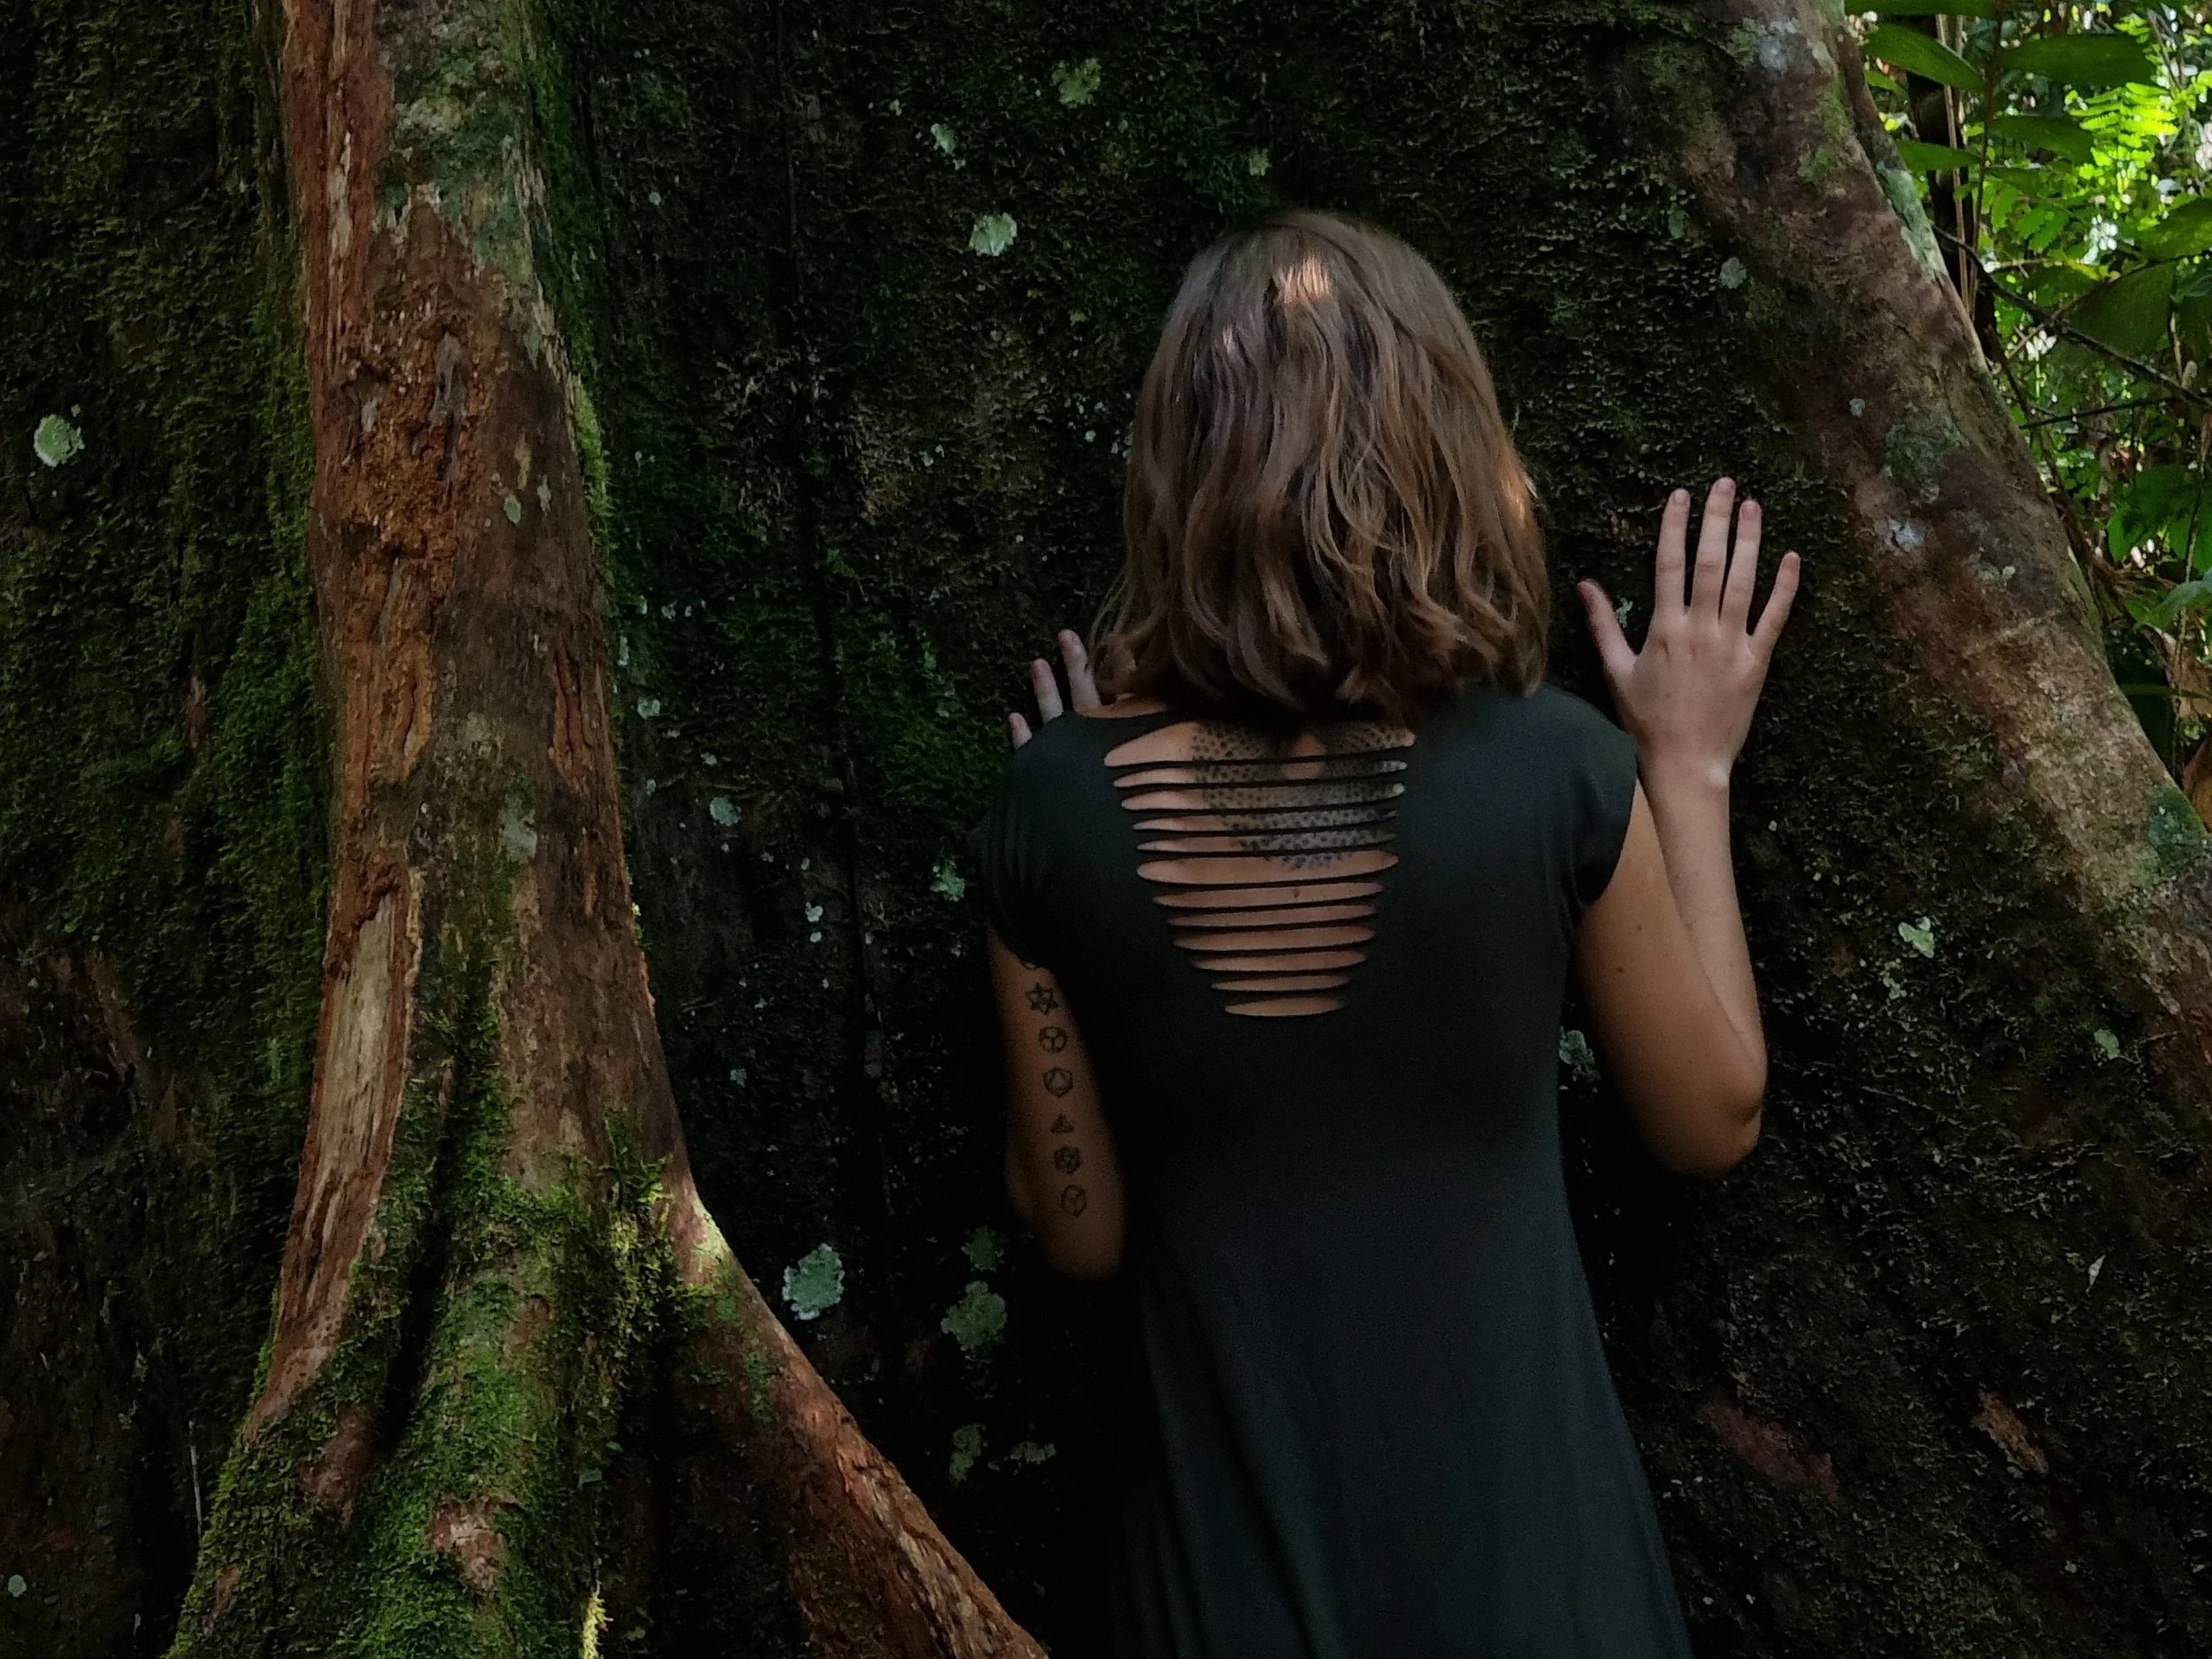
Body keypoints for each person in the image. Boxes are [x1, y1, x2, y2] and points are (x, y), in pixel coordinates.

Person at [968, 210, 1798, 1658]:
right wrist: (1687, 761)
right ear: (1447, 451)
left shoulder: (1050, 816)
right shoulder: (1556, 773)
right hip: (1551, 1599)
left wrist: (1067, 813)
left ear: (1178, 475)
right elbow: (1711, 1112)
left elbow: (1080, 1229)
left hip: (1219, 1599)